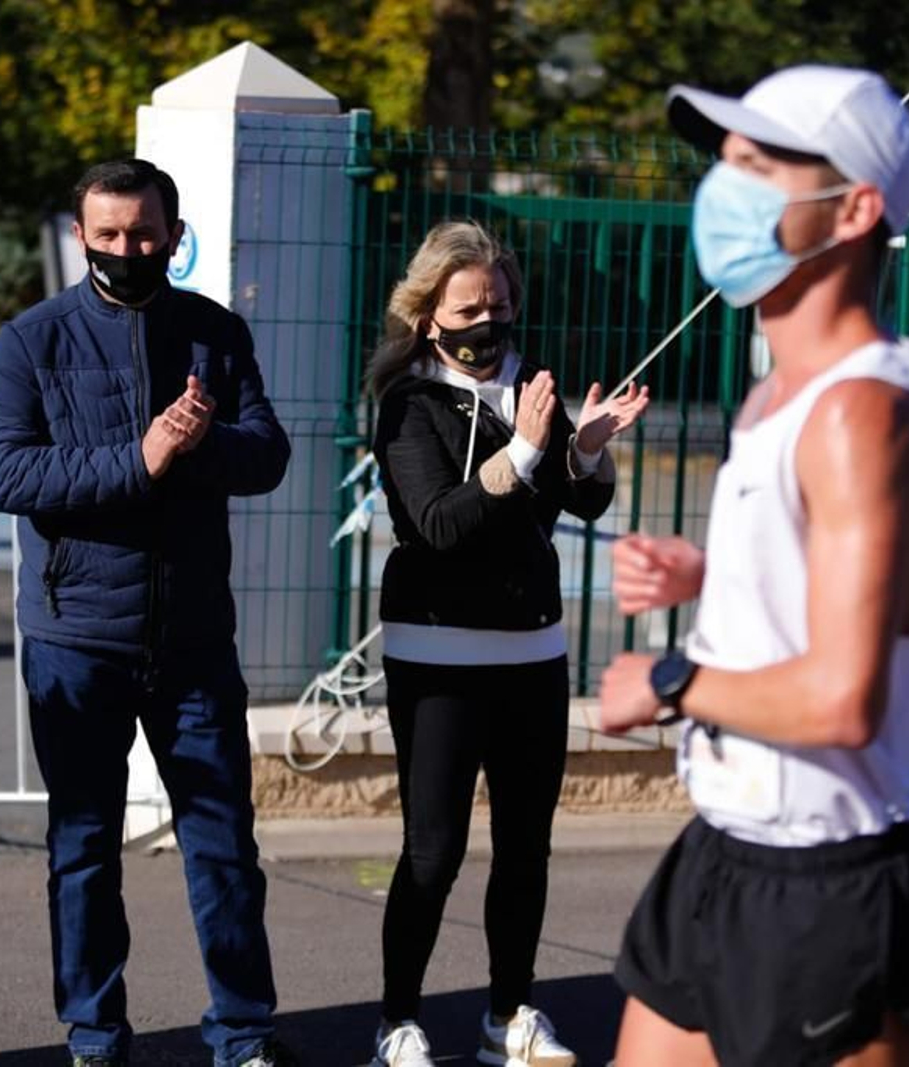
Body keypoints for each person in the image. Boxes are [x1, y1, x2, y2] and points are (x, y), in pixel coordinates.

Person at [597, 67, 909, 1066]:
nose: (722, 188)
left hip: (830, 879)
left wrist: (668, 681)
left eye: (758, 166)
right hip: (724, 853)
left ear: (852, 208)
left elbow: (844, 698)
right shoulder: (779, 395)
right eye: (724, 162)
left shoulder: (862, 413)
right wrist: (708, 573)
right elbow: (847, 579)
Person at [0, 158, 297, 1067]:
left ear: (174, 232)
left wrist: (193, 448)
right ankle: (94, 1035)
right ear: (82, 237)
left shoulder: (215, 334)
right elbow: (4, 473)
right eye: (108, 235)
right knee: (82, 850)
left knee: (225, 846)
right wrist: (141, 457)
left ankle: (243, 1033)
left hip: (193, 642)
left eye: (144, 234)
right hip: (77, 640)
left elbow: (267, 452)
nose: (126, 249)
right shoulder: (31, 340)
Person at [364, 221, 650, 1067]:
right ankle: (397, 1021)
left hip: (532, 654)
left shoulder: (531, 385)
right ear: (427, 316)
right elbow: (439, 525)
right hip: (439, 653)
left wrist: (587, 446)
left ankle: (509, 1016)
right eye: (468, 306)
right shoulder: (408, 403)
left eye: (499, 301)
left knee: (526, 847)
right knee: (433, 850)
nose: (488, 319)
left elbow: (578, 500)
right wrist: (526, 448)